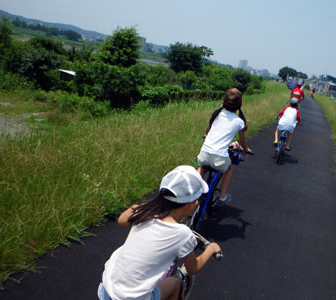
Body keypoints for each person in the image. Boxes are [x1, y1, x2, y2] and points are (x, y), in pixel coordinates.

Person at [98, 165, 222, 300]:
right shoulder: (183, 234)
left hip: (106, 288)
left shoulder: (146, 210)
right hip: (132, 298)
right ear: (191, 204)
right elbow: (193, 268)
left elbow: (122, 221)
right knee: (175, 284)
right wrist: (211, 248)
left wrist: (145, 206)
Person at [197, 88, 252, 207]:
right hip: (220, 158)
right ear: (239, 105)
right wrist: (246, 149)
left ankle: (193, 188)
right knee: (229, 168)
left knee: (202, 168)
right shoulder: (239, 122)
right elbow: (242, 141)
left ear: (224, 102)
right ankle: (222, 196)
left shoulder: (217, 115)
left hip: (204, 154)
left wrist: (206, 136)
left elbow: (207, 131)